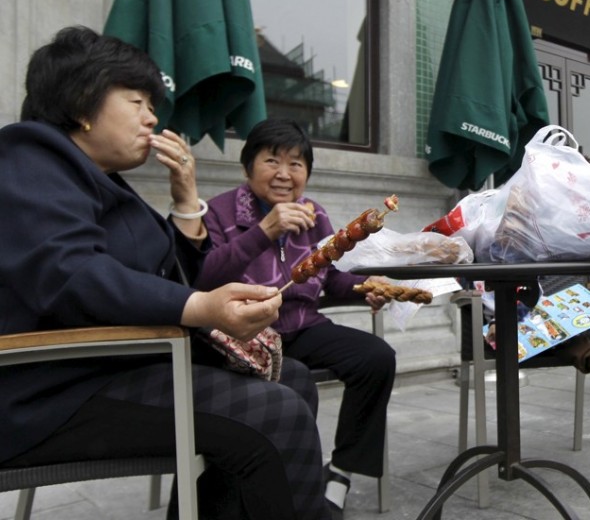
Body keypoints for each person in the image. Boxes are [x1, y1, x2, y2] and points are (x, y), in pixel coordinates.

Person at [0, 26, 333, 519]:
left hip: (120, 364)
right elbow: (72, 273)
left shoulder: (100, 179)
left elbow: (174, 274)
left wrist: (183, 200)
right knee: (275, 414)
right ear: (80, 102)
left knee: (294, 380)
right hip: (51, 388)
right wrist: (200, 308)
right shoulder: (28, 159)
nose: (152, 117)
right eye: (137, 101)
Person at [193, 118, 395, 519]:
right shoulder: (217, 213)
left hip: (303, 325)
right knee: (295, 384)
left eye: (297, 164)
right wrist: (265, 230)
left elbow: (331, 276)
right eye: (272, 161)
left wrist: (363, 286)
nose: (284, 174)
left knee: (376, 358)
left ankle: (340, 471)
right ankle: (287, 488)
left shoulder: (314, 215)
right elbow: (204, 278)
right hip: (248, 337)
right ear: (248, 166)